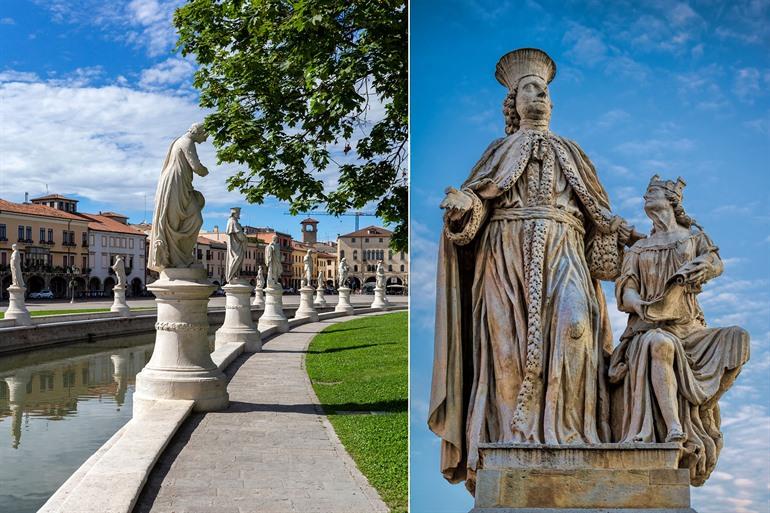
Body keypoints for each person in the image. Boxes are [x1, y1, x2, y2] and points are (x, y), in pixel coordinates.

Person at [429, 48, 639, 492]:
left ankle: (575, 437)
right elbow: (475, 203)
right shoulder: (498, 151)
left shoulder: (572, 152)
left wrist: (639, 236)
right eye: (529, 88)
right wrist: (464, 206)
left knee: (576, 329)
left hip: (566, 254)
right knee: (506, 355)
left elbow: (602, 215)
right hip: (504, 261)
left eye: (544, 90)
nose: (539, 94)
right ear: (513, 102)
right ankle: (509, 440)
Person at [609, 175, 749, 486]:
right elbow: (626, 287)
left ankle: (705, 402)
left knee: (738, 338)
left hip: (690, 327)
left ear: (672, 201)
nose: (646, 196)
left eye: (653, 192)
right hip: (650, 326)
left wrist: (703, 268)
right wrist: (639, 305)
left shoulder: (692, 238)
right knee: (659, 343)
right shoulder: (639, 249)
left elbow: (716, 262)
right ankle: (675, 427)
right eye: (646, 192)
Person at [148, 122, 209, 272]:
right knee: (173, 222)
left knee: (192, 218)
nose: (206, 140)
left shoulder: (179, 140)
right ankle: (176, 259)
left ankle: (182, 256)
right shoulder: (187, 142)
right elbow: (196, 166)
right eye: (205, 135)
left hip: (178, 183)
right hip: (175, 183)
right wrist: (205, 171)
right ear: (198, 132)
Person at [225, 207, 247, 283]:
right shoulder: (232, 222)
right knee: (236, 259)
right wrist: (245, 238)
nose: (239, 215)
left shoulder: (234, 222)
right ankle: (231, 276)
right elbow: (239, 235)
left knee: (237, 259)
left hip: (236, 245)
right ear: (234, 213)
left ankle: (235, 275)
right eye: (238, 213)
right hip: (235, 246)